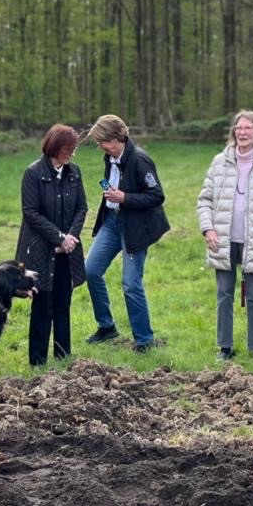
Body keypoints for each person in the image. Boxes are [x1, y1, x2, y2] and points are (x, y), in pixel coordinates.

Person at [197, 110, 253, 364]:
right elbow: (204, 200)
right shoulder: (219, 162)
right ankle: (224, 348)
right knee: (224, 294)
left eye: (248, 128)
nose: (242, 132)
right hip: (223, 239)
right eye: (239, 128)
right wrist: (208, 229)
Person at [83, 115, 170, 353]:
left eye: (102, 141)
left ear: (115, 138)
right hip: (112, 222)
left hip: (136, 227)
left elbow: (157, 196)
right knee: (90, 271)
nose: (100, 146)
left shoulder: (140, 159)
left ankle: (144, 340)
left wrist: (125, 197)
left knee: (131, 284)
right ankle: (107, 326)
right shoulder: (110, 157)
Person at [16, 124, 88, 366]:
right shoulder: (33, 173)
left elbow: (81, 207)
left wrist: (70, 239)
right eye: (68, 149)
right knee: (42, 305)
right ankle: (37, 362)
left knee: (63, 302)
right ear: (54, 147)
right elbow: (31, 212)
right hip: (40, 250)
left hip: (68, 249)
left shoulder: (74, 172)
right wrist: (59, 238)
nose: (72, 154)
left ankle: (63, 356)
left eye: (74, 149)